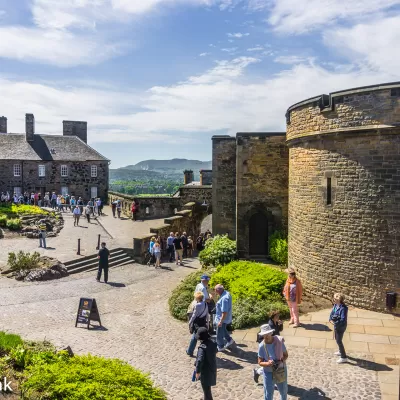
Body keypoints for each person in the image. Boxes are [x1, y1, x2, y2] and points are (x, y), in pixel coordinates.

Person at [257, 326, 288, 400]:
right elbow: (259, 362)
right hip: (268, 373)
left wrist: (281, 360)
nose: (266, 336)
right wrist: (267, 363)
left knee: (283, 391)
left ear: (271, 333)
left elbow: (286, 355)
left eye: (267, 334)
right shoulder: (261, 346)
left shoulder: (279, 342)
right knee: (268, 394)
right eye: (264, 335)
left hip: (280, 370)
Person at [254, 310, 284, 383]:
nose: (278, 317)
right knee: (271, 362)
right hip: (268, 344)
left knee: (274, 362)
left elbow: (279, 330)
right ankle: (258, 372)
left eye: (278, 316)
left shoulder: (276, 322)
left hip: (274, 344)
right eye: (277, 316)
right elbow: (270, 336)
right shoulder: (270, 325)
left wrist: (281, 324)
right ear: (273, 317)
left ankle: (258, 372)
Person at [194, 327, 218, 400]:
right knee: (207, 388)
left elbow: (200, 360)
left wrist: (197, 372)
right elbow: (216, 350)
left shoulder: (202, 348)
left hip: (205, 371)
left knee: (206, 389)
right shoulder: (213, 343)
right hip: (212, 368)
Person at [187, 291, 209, 357]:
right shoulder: (205, 304)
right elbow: (207, 314)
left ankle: (190, 351)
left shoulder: (197, 305)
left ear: (197, 298)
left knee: (194, 337)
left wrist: (190, 322)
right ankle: (206, 351)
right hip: (203, 322)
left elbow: (194, 315)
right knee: (203, 337)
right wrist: (207, 323)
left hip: (197, 323)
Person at [329, 293, 349, 364]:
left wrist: (335, 323)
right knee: (336, 338)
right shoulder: (335, 305)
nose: (333, 300)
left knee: (339, 341)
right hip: (336, 325)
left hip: (340, 326)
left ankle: (344, 357)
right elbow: (332, 313)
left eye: (334, 299)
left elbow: (343, 319)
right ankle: (340, 351)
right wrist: (330, 319)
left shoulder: (343, 308)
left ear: (339, 300)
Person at [214, 284, 234, 351]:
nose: (215, 291)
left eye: (215, 290)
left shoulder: (224, 298)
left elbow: (224, 312)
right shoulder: (227, 293)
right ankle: (229, 339)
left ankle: (220, 346)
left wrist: (220, 321)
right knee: (223, 330)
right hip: (225, 319)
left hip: (222, 319)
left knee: (219, 333)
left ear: (218, 290)